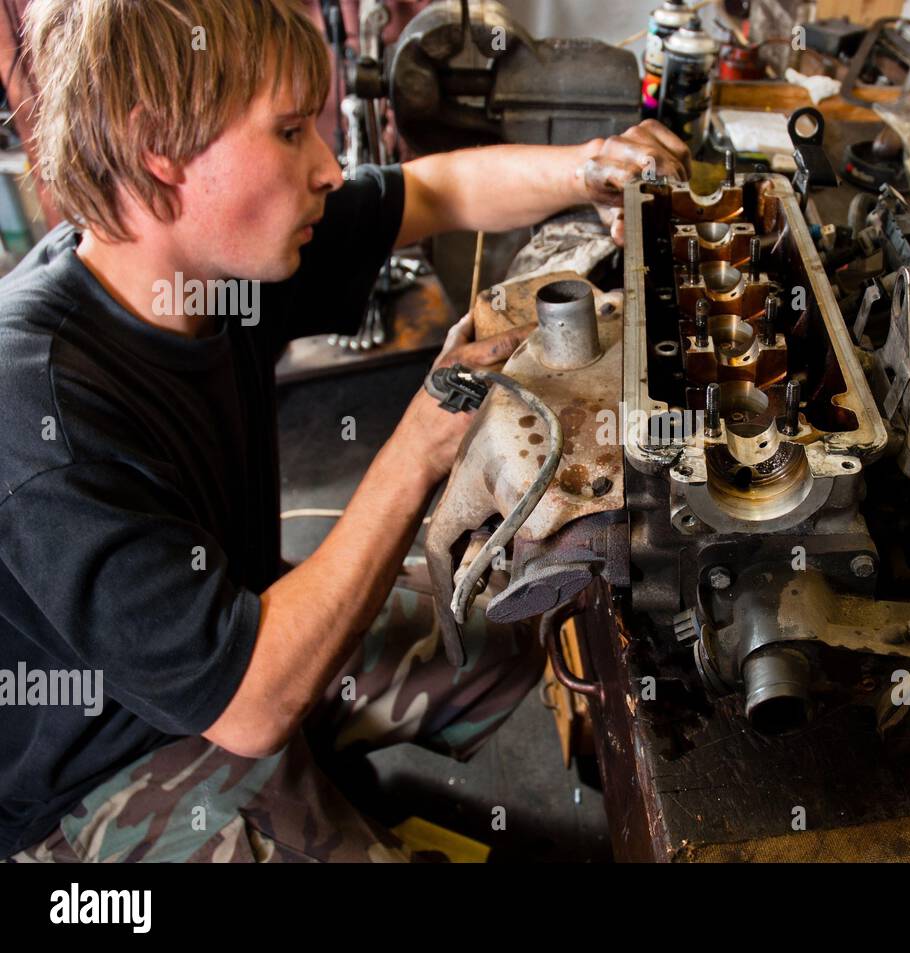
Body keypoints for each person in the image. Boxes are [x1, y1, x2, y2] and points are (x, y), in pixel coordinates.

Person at [0, 0, 688, 862]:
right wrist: (423, 441)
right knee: (271, 715)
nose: (328, 166)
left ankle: (313, 764)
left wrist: (596, 168)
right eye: (290, 131)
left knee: (516, 606)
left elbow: (437, 191)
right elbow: (251, 703)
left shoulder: (209, 261)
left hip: (238, 638)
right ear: (158, 148)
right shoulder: (35, 409)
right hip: (101, 777)